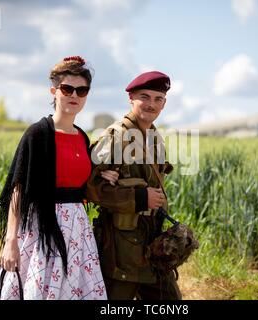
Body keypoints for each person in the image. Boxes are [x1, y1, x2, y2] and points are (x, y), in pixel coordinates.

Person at [0, 56, 119, 300]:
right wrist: (10, 241)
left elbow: (76, 177)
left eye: (82, 90)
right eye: (67, 88)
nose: (74, 95)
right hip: (42, 229)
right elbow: (18, 190)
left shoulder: (82, 137)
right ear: (54, 91)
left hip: (78, 232)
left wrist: (100, 174)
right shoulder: (37, 133)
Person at [86, 71, 182, 300]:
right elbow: (89, 188)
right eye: (144, 97)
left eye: (158, 99)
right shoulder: (115, 137)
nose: (151, 104)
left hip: (154, 249)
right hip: (121, 253)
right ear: (131, 99)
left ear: (164, 103)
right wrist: (139, 198)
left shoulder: (155, 137)